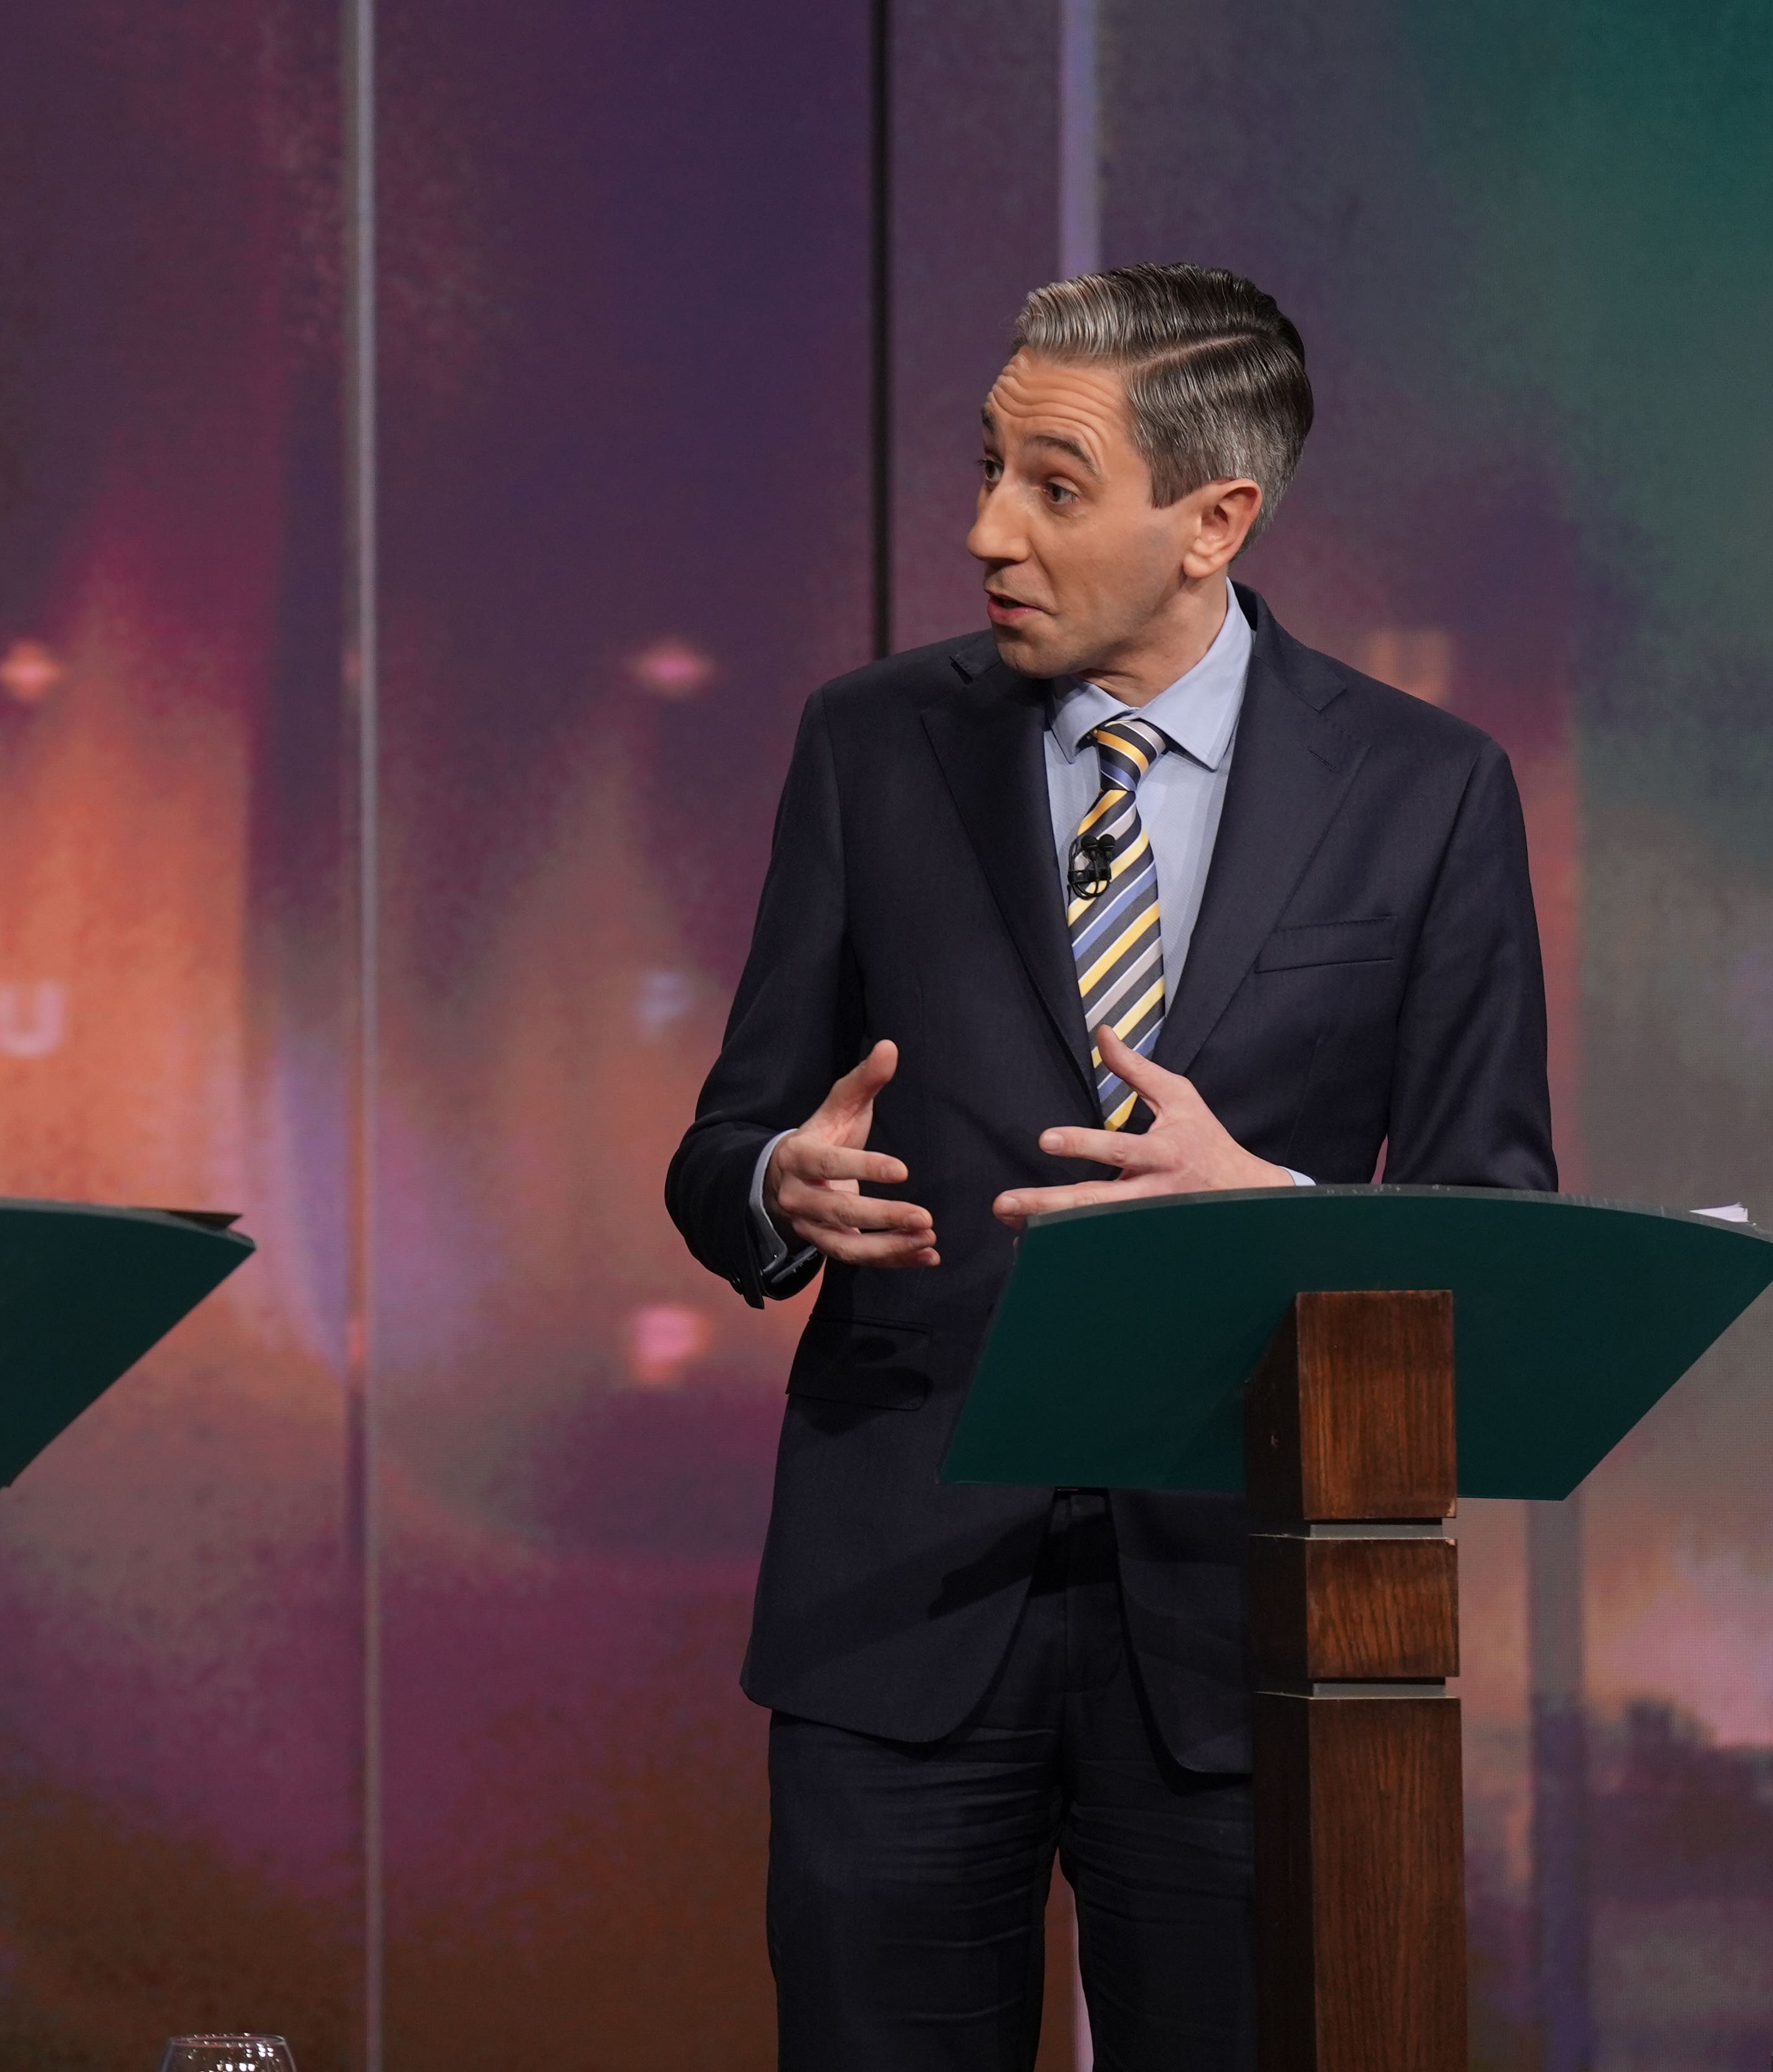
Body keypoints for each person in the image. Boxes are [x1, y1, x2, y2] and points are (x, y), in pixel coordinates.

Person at [667, 264, 1552, 2066]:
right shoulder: (869, 743)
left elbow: (1497, 1223)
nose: (986, 528)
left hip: (1245, 1627)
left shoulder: (1425, 789)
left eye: (1050, 486)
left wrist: (1279, 1224)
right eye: (987, 466)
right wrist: (776, 1186)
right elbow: (720, 1141)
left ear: (1211, 518)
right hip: (893, 1610)